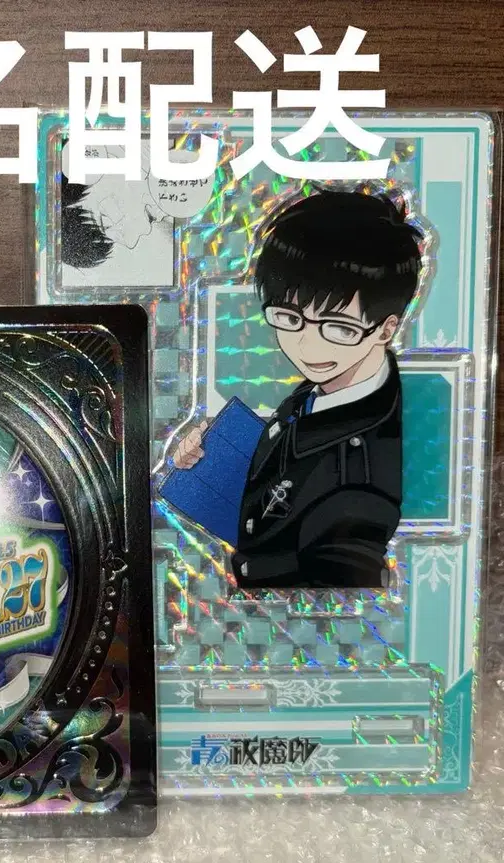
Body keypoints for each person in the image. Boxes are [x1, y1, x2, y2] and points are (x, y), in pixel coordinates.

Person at [171, 190, 423, 588]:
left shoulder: (362, 476)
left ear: (386, 329)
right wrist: (209, 461)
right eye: (290, 318)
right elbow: (287, 461)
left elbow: (347, 582)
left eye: (338, 328)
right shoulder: (325, 390)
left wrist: (246, 578)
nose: (307, 346)